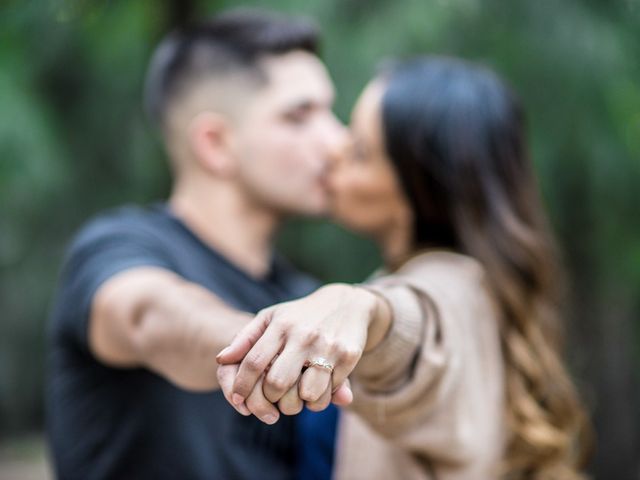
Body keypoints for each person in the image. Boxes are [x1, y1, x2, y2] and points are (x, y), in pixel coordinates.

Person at [217, 57, 591, 479]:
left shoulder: (457, 290)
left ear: (415, 189)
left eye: (358, 151)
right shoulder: (480, 295)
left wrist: (355, 306)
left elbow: (415, 322)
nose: (333, 150)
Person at [45, 9, 349, 480]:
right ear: (215, 144)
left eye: (330, 112)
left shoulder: (303, 298)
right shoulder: (119, 246)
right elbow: (149, 316)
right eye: (299, 116)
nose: (338, 142)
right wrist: (260, 344)